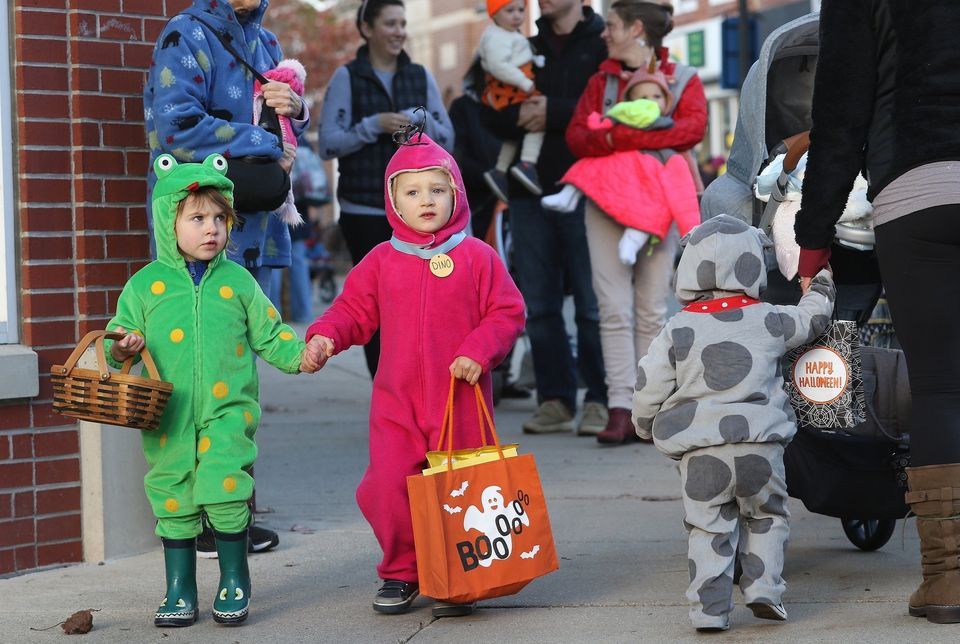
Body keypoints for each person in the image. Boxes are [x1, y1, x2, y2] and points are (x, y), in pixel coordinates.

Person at [303, 133, 525, 618]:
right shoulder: (382, 261)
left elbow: (507, 312)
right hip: (396, 401)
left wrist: (477, 350)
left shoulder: (478, 257)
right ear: (393, 201)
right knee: (387, 486)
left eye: (437, 190)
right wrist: (325, 336)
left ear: (457, 195)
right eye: (412, 191)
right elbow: (352, 311)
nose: (426, 200)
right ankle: (402, 570)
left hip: (460, 401)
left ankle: (456, 575)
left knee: (461, 489)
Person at [104, 154, 324, 627]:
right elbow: (115, 341)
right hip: (169, 415)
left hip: (228, 409)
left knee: (226, 489)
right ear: (169, 221)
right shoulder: (145, 286)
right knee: (173, 493)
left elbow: (269, 333)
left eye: (220, 218)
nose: (212, 229)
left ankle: (233, 578)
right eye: (197, 218)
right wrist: (124, 347)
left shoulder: (238, 281)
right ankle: (180, 588)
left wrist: (300, 355)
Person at [795, 0, 960, 625]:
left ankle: (948, 580)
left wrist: (814, 237)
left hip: (916, 189)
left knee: (943, 388)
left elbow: (839, 112)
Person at [144, 0, 306, 554]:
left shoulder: (266, 43)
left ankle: (229, 512)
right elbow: (176, 127)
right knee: (194, 378)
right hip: (199, 238)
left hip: (254, 232)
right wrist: (266, 140)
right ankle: (195, 521)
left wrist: (292, 113)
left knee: (235, 382)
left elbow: (283, 143)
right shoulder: (184, 33)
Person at [632, 215, 835, 632]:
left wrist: (643, 422)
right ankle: (764, 588)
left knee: (707, 529)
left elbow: (648, 384)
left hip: (701, 453)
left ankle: (708, 610)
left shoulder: (678, 328)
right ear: (751, 263)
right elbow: (813, 318)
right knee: (767, 516)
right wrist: (821, 283)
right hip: (759, 447)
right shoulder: (769, 319)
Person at [565, 0, 707, 444]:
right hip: (607, 202)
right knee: (612, 310)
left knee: (650, 308)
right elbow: (576, 137)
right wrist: (636, 136)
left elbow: (692, 129)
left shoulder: (683, 78)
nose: (604, 33)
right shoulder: (600, 81)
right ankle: (620, 408)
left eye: (611, 25)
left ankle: (647, 408)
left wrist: (613, 135)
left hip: (660, 204)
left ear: (635, 29)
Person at [481, 0, 609, 437]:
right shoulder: (518, 42)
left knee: (593, 305)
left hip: (585, 187)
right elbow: (486, 112)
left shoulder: (603, 44)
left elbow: (611, 112)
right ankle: (554, 398)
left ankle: (599, 398)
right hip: (527, 192)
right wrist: (515, 114)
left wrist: (552, 112)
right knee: (539, 305)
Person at [318, 0, 455, 378]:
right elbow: (327, 143)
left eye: (403, 23)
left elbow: (449, 137)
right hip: (365, 211)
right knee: (377, 308)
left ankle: (421, 386)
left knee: (423, 305)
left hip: (420, 217)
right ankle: (387, 388)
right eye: (390, 23)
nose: (399, 31)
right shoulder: (347, 77)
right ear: (367, 29)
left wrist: (420, 126)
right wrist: (372, 125)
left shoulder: (420, 75)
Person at [544, 66, 701, 261]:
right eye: (641, 97)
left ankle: (631, 243)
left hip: (646, 193)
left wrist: (691, 230)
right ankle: (568, 196)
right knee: (588, 166)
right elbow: (596, 128)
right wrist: (601, 124)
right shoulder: (618, 128)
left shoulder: (668, 149)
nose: (649, 101)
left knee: (652, 215)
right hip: (617, 177)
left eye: (656, 96)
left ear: (667, 102)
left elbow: (682, 194)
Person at [478, 0, 546, 200]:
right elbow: (499, 66)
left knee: (514, 134)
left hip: (511, 88)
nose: (517, 15)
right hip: (510, 90)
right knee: (537, 120)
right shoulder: (495, 37)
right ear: (494, 14)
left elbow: (519, 56)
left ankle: (499, 171)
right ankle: (527, 163)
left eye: (520, 10)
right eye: (509, 10)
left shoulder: (508, 34)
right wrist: (525, 83)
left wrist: (536, 60)